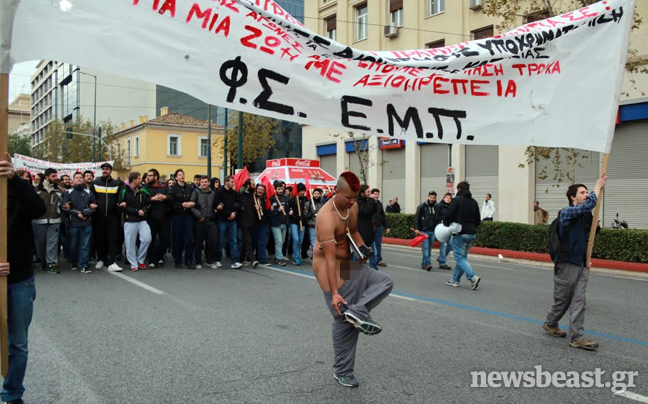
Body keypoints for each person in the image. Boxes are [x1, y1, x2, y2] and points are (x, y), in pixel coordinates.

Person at [313, 172, 393, 388]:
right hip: (330, 273)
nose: (352, 202)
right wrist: (335, 293)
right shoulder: (325, 217)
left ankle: (357, 311)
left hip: (348, 266)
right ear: (336, 192)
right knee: (344, 323)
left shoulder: (352, 207)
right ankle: (343, 371)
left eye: (355, 198)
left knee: (384, 282)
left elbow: (354, 232)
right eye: (348, 198)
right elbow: (329, 259)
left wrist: (363, 250)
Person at [0, 153, 46, 404]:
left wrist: (15, 180)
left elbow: (39, 210)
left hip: (20, 279)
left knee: (17, 343)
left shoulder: (18, 189)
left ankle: (12, 393)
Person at [543, 174, 606, 351]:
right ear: (573, 197)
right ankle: (551, 322)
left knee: (579, 301)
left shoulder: (586, 216)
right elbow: (588, 205)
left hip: (582, 264)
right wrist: (597, 186)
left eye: (587, 192)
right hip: (566, 264)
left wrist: (587, 259)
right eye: (582, 192)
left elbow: (586, 240)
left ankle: (577, 337)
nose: (586, 194)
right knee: (562, 301)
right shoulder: (567, 212)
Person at [444, 182, 481, 289]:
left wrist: (446, 224)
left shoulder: (457, 200)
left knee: (459, 258)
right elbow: (478, 220)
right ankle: (455, 280)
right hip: (472, 233)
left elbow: (449, 214)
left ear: (459, 189)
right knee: (462, 258)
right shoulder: (474, 202)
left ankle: (472, 277)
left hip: (460, 233)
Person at [61, 172, 97, 273]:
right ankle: (74, 261)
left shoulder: (89, 192)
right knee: (73, 245)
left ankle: (84, 264)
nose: (79, 179)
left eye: (81, 177)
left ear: (83, 180)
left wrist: (85, 213)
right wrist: (77, 213)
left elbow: (93, 206)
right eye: (77, 178)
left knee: (85, 245)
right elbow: (64, 207)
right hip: (73, 224)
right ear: (73, 180)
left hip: (86, 223)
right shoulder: (68, 192)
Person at [91, 163, 123, 272]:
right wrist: (92, 204)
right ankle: (101, 259)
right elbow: (91, 198)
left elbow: (120, 198)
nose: (105, 171)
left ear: (111, 170)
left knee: (112, 239)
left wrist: (120, 204)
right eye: (103, 169)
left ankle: (112, 261)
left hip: (113, 216)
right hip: (98, 216)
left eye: (107, 169)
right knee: (100, 238)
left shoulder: (117, 184)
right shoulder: (95, 183)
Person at [118, 172, 152, 272]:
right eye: (139, 178)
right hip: (129, 221)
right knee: (130, 243)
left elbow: (149, 202)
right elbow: (122, 206)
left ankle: (140, 260)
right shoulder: (124, 190)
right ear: (134, 180)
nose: (140, 180)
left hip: (142, 220)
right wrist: (137, 211)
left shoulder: (143, 190)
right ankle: (133, 263)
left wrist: (144, 210)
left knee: (147, 239)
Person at [33, 168, 63, 274]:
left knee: (52, 243)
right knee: (40, 243)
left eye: (56, 175)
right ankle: (42, 260)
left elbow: (64, 203)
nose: (56, 178)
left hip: (55, 220)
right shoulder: (37, 190)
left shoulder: (59, 190)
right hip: (39, 220)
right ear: (46, 177)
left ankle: (51, 263)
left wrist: (67, 206)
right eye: (53, 176)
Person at [144, 169, 171, 268]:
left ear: (156, 177)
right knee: (151, 240)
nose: (148, 177)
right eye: (148, 175)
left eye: (150, 175)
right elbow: (142, 200)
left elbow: (171, 197)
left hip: (164, 218)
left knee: (165, 240)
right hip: (150, 218)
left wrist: (165, 197)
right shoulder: (145, 188)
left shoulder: (164, 188)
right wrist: (152, 199)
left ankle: (160, 256)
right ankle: (152, 260)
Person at [214, 176, 242, 269]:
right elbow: (219, 206)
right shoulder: (219, 192)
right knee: (220, 241)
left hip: (233, 219)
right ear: (226, 182)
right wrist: (229, 214)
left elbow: (237, 204)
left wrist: (234, 213)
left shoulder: (234, 193)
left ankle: (234, 261)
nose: (233, 183)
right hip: (222, 219)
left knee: (233, 241)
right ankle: (217, 260)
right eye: (231, 182)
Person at [170, 169, 196, 269]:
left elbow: (194, 199)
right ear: (176, 177)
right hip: (177, 215)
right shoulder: (173, 188)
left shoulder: (189, 188)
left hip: (187, 216)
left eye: (183, 174)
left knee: (189, 238)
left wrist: (192, 203)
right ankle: (177, 260)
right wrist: (180, 205)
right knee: (177, 239)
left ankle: (189, 260)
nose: (182, 176)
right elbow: (171, 202)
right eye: (180, 175)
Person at [190, 176, 218, 269]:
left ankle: (210, 260)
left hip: (210, 220)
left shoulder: (213, 193)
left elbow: (216, 204)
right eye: (202, 182)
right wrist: (199, 216)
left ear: (209, 183)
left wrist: (219, 205)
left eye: (206, 182)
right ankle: (198, 261)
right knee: (198, 242)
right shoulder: (196, 192)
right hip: (200, 221)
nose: (204, 183)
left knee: (212, 241)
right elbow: (192, 206)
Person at [414, 191, 439, 271]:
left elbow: (438, 218)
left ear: (435, 198)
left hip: (433, 230)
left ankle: (424, 263)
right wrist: (417, 228)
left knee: (429, 248)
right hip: (424, 230)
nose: (432, 199)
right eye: (430, 197)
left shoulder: (437, 207)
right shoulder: (422, 206)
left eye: (433, 198)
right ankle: (428, 263)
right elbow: (417, 218)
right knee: (425, 248)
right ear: (428, 197)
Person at [355, 185, 379, 270]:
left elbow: (374, 211)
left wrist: (374, 201)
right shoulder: (357, 202)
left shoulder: (368, 201)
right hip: (361, 233)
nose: (370, 194)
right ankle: (350, 272)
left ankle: (374, 269)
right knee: (358, 253)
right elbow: (365, 212)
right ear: (362, 193)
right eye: (368, 192)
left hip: (369, 232)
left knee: (374, 253)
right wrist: (371, 200)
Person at [237, 179, 259, 267]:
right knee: (248, 240)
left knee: (246, 240)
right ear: (248, 186)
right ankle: (252, 259)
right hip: (243, 221)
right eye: (253, 185)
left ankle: (241, 258)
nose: (254, 187)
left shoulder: (254, 196)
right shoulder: (241, 195)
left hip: (252, 221)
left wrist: (257, 207)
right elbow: (236, 204)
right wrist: (240, 207)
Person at [268, 181, 288, 266]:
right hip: (276, 224)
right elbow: (269, 211)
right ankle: (279, 258)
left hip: (284, 223)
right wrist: (277, 210)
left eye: (282, 188)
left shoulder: (285, 197)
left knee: (282, 241)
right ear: (275, 189)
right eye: (279, 189)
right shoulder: (272, 198)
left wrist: (289, 210)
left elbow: (287, 207)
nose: (280, 190)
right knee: (279, 241)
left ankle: (277, 256)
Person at [288, 183, 307, 266]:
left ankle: (297, 255)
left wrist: (306, 213)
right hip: (294, 223)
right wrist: (292, 214)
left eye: (304, 191)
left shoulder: (305, 199)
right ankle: (296, 257)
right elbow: (289, 210)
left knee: (300, 241)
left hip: (302, 223)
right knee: (296, 239)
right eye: (302, 191)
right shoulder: (292, 199)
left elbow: (307, 210)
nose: (303, 192)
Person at [370, 188, 390, 267]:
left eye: (378, 194)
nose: (376, 195)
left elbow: (383, 217)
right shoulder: (368, 203)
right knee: (367, 244)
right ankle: (362, 257)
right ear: (371, 194)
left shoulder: (379, 204)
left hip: (378, 226)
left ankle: (378, 260)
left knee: (378, 244)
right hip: (369, 227)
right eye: (375, 194)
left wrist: (386, 227)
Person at [251, 184, 270, 265]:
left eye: (262, 190)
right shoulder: (252, 198)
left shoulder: (265, 199)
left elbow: (267, 211)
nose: (260, 191)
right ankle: (251, 257)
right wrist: (254, 208)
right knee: (253, 241)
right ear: (256, 189)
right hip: (254, 223)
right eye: (259, 189)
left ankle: (262, 258)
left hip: (263, 223)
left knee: (262, 241)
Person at [304, 188, 325, 260]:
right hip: (311, 225)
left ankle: (315, 254)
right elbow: (305, 215)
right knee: (313, 241)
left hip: (320, 225)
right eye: (315, 194)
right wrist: (311, 213)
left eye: (318, 194)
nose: (316, 195)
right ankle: (316, 255)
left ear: (320, 194)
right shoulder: (308, 203)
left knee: (319, 241)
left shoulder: (322, 203)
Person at [435, 192, 453, 270]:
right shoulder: (439, 206)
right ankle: (442, 263)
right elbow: (436, 216)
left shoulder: (451, 207)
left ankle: (441, 257)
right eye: (447, 198)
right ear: (443, 198)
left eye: (449, 198)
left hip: (449, 228)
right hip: (441, 228)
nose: (448, 199)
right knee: (444, 245)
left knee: (450, 244)